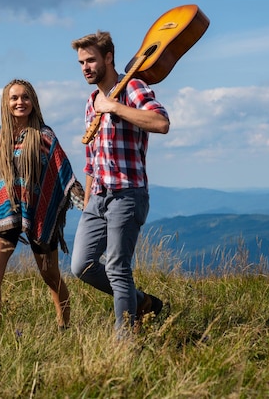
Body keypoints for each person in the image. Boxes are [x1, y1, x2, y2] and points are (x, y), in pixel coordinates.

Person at [70, 31, 169, 333]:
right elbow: (91, 160)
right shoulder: (91, 102)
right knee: (81, 266)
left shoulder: (133, 88)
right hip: (98, 196)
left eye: (91, 60)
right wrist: (88, 202)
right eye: (81, 62)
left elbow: (161, 122)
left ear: (108, 57)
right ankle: (142, 303)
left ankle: (124, 344)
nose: (85, 67)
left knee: (116, 268)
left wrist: (114, 107)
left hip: (127, 194)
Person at [0, 79, 84, 333]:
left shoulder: (45, 137)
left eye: (25, 97)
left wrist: (90, 207)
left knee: (50, 276)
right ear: (6, 103)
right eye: (14, 98)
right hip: (4, 214)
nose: (20, 102)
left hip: (39, 213)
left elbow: (63, 175)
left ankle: (64, 327)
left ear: (33, 102)